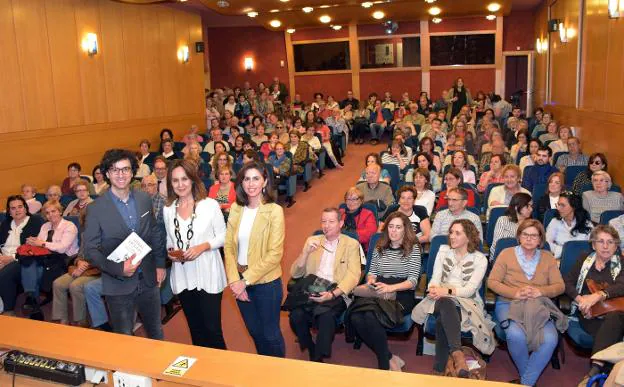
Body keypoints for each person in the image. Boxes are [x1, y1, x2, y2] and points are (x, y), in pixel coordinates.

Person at [83, 149, 166, 339]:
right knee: (124, 337)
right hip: (117, 283)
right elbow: (90, 250)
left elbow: (154, 231)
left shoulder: (144, 199)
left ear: (132, 172)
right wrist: (118, 268)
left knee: (156, 332)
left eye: (126, 169)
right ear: (107, 173)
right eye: (115, 170)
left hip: (147, 278)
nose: (121, 175)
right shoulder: (95, 208)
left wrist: (160, 264)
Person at [487, 219, 565, 386]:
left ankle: (525, 382)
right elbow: (492, 282)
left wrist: (540, 291)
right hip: (508, 303)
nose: (529, 238)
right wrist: (515, 293)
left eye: (534, 235)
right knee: (515, 335)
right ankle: (528, 380)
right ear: (519, 236)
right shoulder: (506, 254)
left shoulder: (547, 257)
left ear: (540, 239)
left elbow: (560, 286)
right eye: (525, 234)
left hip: (539, 306)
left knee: (551, 339)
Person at [412, 220, 495, 376]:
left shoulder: (479, 259)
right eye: (451, 232)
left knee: (443, 318)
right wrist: (434, 288)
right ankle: (457, 354)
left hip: (467, 302)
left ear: (469, 237)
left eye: (458, 233)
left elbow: (470, 290)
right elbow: (435, 277)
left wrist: (446, 290)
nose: (452, 236)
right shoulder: (444, 250)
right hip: (438, 298)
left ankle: (438, 370)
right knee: (445, 303)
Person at [162, 159, 227, 349]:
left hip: (208, 272)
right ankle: (203, 373)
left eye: (184, 179)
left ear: (193, 179)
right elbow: (169, 240)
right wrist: (171, 253)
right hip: (183, 275)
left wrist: (203, 246)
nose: (180, 185)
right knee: (196, 330)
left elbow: (224, 236)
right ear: (170, 183)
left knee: (213, 330)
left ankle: (225, 372)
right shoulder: (168, 210)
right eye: (175, 181)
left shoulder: (209, 205)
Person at [224, 162, 286, 357]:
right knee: (255, 333)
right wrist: (235, 280)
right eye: (246, 179)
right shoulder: (235, 208)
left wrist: (245, 281)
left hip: (266, 282)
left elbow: (274, 254)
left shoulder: (274, 211)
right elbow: (229, 247)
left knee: (270, 334)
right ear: (241, 183)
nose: (251, 184)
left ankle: (280, 373)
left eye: (256, 178)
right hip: (240, 280)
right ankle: (264, 370)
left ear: (265, 181)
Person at [348, 212, 422, 371]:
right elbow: (372, 271)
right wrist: (371, 282)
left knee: (370, 315)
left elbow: (413, 280)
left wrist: (390, 288)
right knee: (355, 316)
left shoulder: (413, 248)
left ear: (405, 229)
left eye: (398, 227)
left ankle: (383, 365)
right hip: (378, 289)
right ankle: (389, 357)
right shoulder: (380, 245)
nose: (394, 231)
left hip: (401, 292)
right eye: (391, 227)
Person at [288, 208, 361, 362]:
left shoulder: (351, 244)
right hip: (312, 286)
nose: (326, 225)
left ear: (340, 223)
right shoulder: (313, 241)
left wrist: (332, 294)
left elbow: (354, 275)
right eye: (323, 221)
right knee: (296, 316)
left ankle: (317, 358)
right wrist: (306, 253)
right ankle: (311, 347)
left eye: (331, 222)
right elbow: (295, 274)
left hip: (335, 290)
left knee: (325, 317)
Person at [563, 225, 624, 386]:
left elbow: (621, 286)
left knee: (614, 319)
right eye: (601, 241)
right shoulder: (584, 259)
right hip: (587, 313)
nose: (605, 246)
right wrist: (581, 300)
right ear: (593, 244)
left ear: (616, 246)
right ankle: (604, 372)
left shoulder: (622, 262)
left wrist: (598, 296)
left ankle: (595, 369)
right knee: (613, 334)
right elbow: (567, 283)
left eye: (610, 242)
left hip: (615, 311)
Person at [22, 200, 79, 313]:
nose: (51, 215)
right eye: (47, 213)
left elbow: (62, 248)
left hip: (64, 258)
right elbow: (39, 244)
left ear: (60, 212)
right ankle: (33, 302)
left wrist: (42, 243)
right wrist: (33, 242)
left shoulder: (69, 226)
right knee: (29, 263)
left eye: (53, 211)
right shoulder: (45, 226)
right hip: (47, 256)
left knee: (35, 271)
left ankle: (32, 300)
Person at [51, 210, 99, 326]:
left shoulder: (108, 234)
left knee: (75, 286)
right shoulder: (85, 234)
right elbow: (80, 255)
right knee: (58, 283)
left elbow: (105, 258)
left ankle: (81, 321)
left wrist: (84, 266)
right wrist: (79, 262)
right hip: (83, 267)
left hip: (97, 270)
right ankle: (63, 319)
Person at [0, 196, 43, 316]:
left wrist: (12, 257)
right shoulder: (5, 223)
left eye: (20, 207)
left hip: (22, 260)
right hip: (3, 258)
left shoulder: (35, 221)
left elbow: (32, 248)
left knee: (3, 275)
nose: (17, 210)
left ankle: (8, 310)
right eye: (13, 208)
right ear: (9, 211)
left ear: (25, 208)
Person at [546, 191, 593, 259]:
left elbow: (592, 246)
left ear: (574, 207)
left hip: (581, 260)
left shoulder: (587, 224)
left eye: (562, 205)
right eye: (558, 205)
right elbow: (547, 243)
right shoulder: (555, 222)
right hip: (559, 260)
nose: (558, 208)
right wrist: (565, 251)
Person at [490, 193, 533, 259]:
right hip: (503, 259)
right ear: (516, 207)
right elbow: (497, 246)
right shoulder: (503, 220)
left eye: (531, 206)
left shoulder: (532, 225)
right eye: (528, 206)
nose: (531, 209)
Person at [339, 187, 377, 252]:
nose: (351, 202)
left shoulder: (368, 214)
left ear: (361, 200)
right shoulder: (340, 212)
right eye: (348, 199)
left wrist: (345, 234)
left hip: (361, 249)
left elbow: (370, 234)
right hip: (341, 247)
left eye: (354, 199)